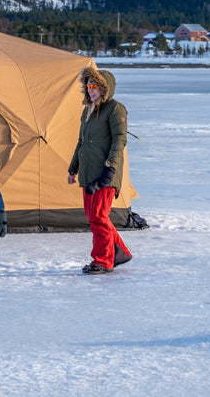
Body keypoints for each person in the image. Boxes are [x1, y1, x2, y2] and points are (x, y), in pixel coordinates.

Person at [68, 67, 133, 274]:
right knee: (94, 216)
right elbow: (81, 142)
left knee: (98, 216)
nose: (91, 91)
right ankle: (120, 252)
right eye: (88, 86)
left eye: (94, 86)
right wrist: (73, 169)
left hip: (105, 173)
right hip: (88, 172)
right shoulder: (87, 111)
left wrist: (110, 169)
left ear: (104, 88)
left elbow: (119, 140)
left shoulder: (115, 109)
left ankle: (103, 261)